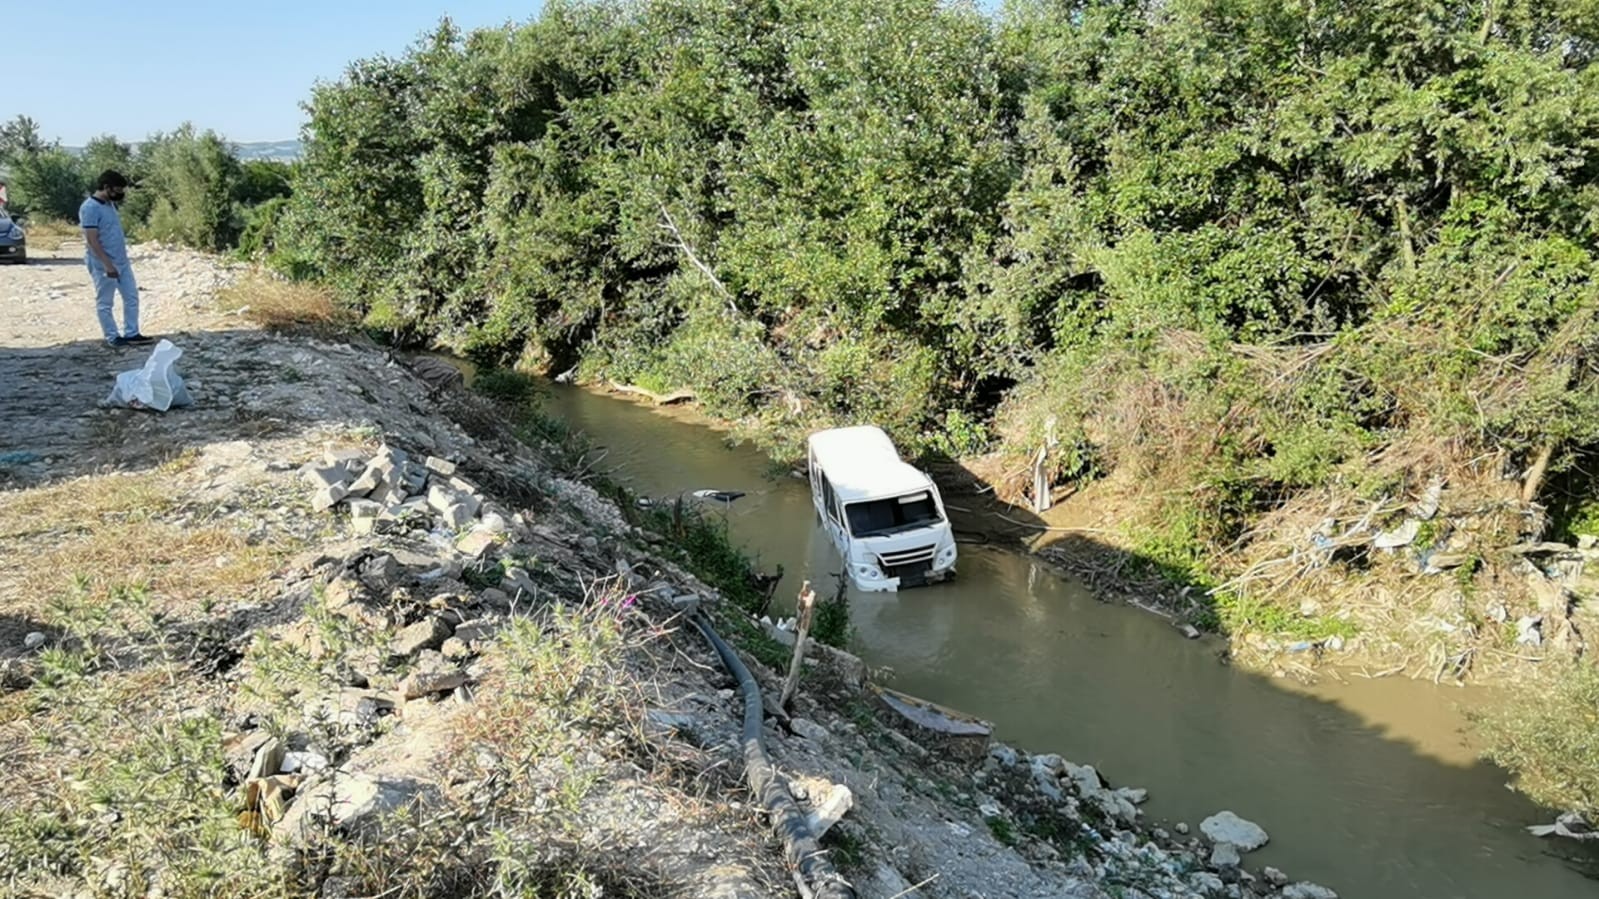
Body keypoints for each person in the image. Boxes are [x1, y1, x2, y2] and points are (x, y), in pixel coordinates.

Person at [80, 170, 152, 347]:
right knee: (105, 302)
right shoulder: (90, 208)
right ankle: (112, 337)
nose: (120, 194)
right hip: (103, 263)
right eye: (117, 189)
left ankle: (131, 333)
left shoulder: (109, 205)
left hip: (121, 260)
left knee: (131, 297)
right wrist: (107, 265)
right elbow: (92, 240)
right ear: (106, 187)